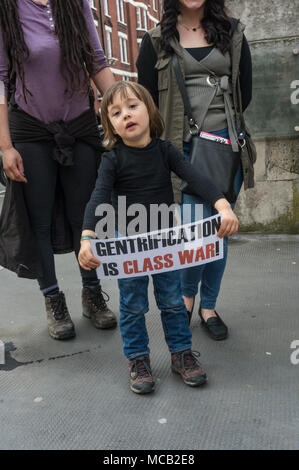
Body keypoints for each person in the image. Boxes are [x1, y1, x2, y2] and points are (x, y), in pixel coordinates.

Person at [78, 81, 239, 394]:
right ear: (109, 124)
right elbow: (97, 197)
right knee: (133, 306)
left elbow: (196, 178)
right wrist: (87, 237)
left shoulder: (165, 151)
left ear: (149, 110)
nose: (126, 115)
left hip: (167, 243)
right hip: (129, 246)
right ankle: (138, 360)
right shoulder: (111, 159)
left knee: (173, 303)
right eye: (115, 112)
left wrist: (222, 205)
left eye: (132, 106)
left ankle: (181, 355)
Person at [136, 0, 256, 340]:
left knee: (221, 227)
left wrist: (220, 132)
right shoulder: (156, 40)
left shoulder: (233, 33)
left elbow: (243, 91)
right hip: (182, 150)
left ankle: (209, 306)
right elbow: (147, 100)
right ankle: (189, 295)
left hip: (227, 147)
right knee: (194, 232)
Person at [0, 0, 117, 340]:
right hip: (31, 130)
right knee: (39, 219)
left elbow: (97, 62)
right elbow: (1, 77)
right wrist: (5, 147)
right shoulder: (8, 8)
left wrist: (129, 105)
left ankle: (92, 294)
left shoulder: (74, 4)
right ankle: (53, 298)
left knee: (86, 216)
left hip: (79, 125)